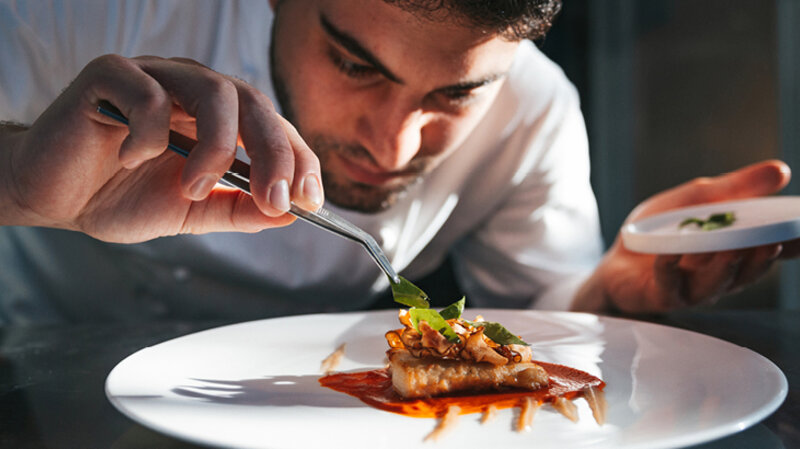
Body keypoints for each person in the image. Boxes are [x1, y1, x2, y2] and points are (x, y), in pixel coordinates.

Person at [0, 0, 793, 324]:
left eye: (454, 95)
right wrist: (20, 187)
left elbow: (546, 310)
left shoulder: (535, 108)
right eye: (355, 65)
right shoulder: (90, 14)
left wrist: (613, 290)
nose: (394, 146)